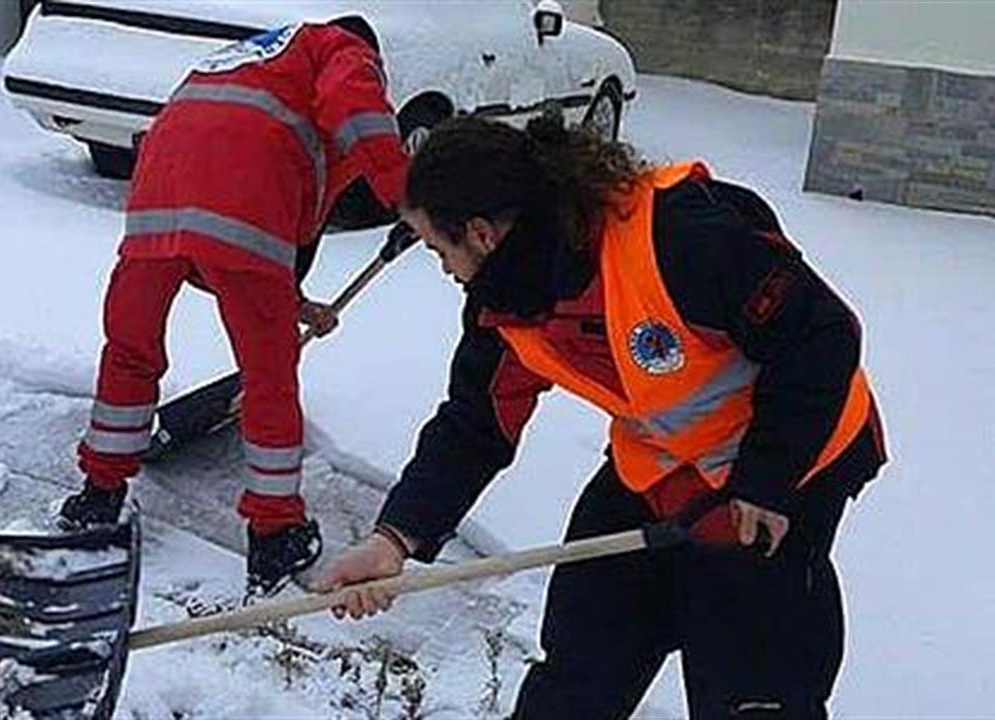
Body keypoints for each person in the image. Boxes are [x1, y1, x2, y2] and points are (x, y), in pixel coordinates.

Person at [316, 116, 888, 718]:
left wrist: (764, 485)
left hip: (792, 459)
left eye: (438, 247)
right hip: (656, 469)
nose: (442, 266)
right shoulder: (506, 305)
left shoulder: (677, 238)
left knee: (749, 675)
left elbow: (822, 336)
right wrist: (394, 538)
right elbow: (474, 425)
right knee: (585, 656)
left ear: (481, 233)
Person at [58, 15, 409, 597]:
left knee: (129, 351)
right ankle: (276, 536)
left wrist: (293, 301)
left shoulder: (247, 59)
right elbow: (357, 113)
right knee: (269, 379)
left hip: (155, 205)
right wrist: (410, 194)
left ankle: (98, 496)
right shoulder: (339, 45)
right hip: (245, 207)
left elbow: (231, 218)